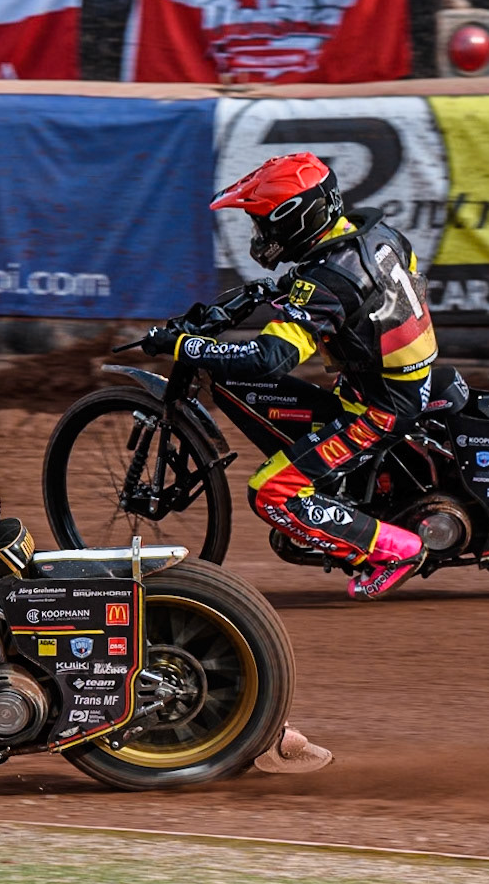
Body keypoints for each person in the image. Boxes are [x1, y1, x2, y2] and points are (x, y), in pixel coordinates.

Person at [142, 153, 436, 601]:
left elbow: (268, 359)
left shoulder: (327, 284)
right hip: (400, 380)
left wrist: (186, 346)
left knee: (271, 490)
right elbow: (360, 289)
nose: (261, 237)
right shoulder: (378, 237)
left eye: (264, 226)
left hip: (380, 408)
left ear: (294, 221)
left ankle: (395, 550)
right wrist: (272, 291)